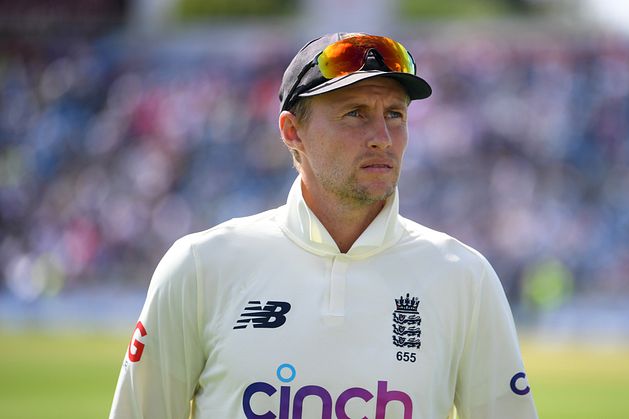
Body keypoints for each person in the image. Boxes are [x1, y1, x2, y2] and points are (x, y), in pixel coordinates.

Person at [109, 32, 538, 419]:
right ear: (292, 131)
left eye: (395, 114)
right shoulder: (199, 266)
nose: (382, 138)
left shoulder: (465, 276)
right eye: (354, 113)